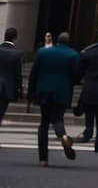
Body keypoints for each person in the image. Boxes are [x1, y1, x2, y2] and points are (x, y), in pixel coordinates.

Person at [27, 31, 80, 167]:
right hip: (62, 91)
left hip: (44, 90)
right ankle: (63, 136)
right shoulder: (73, 55)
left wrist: (30, 92)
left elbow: (34, 73)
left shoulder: (43, 52)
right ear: (69, 41)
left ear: (57, 40)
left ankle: (43, 159)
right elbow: (76, 77)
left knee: (44, 123)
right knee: (57, 118)